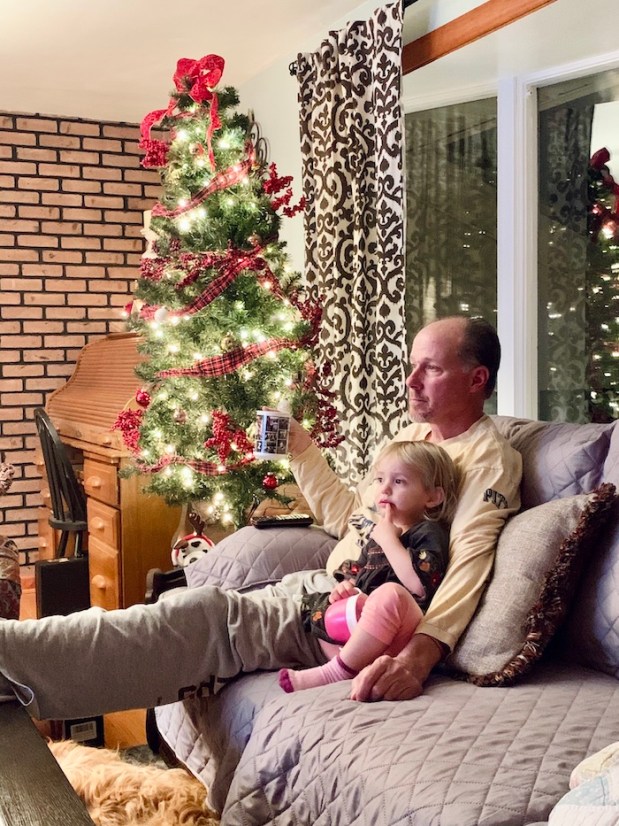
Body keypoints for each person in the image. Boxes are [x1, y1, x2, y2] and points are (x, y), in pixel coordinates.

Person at [0, 315, 522, 722]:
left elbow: (470, 564)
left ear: (478, 379)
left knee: (199, 619)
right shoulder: (410, 444)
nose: (410, 380)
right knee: (184, 602)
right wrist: (302, 450)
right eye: (412, 364)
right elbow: (349, 522)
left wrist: (419, 657)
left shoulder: (488, 460)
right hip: (321, 589)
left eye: (430, 368)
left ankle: (12, 660)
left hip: (352, 618)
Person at [279, 440, 459, 695]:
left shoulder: (427, 531)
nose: (385, 489)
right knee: (317, 605)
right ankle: (350, 663)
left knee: (390, 594)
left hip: (403, 629)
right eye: (380, 479)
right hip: (368, 633)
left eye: (399, 482)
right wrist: (347, 589)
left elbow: (419, 586)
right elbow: (360, 578)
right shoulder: (378, 534)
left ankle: (335, 671)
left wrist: (389, 540)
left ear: (432, 497)